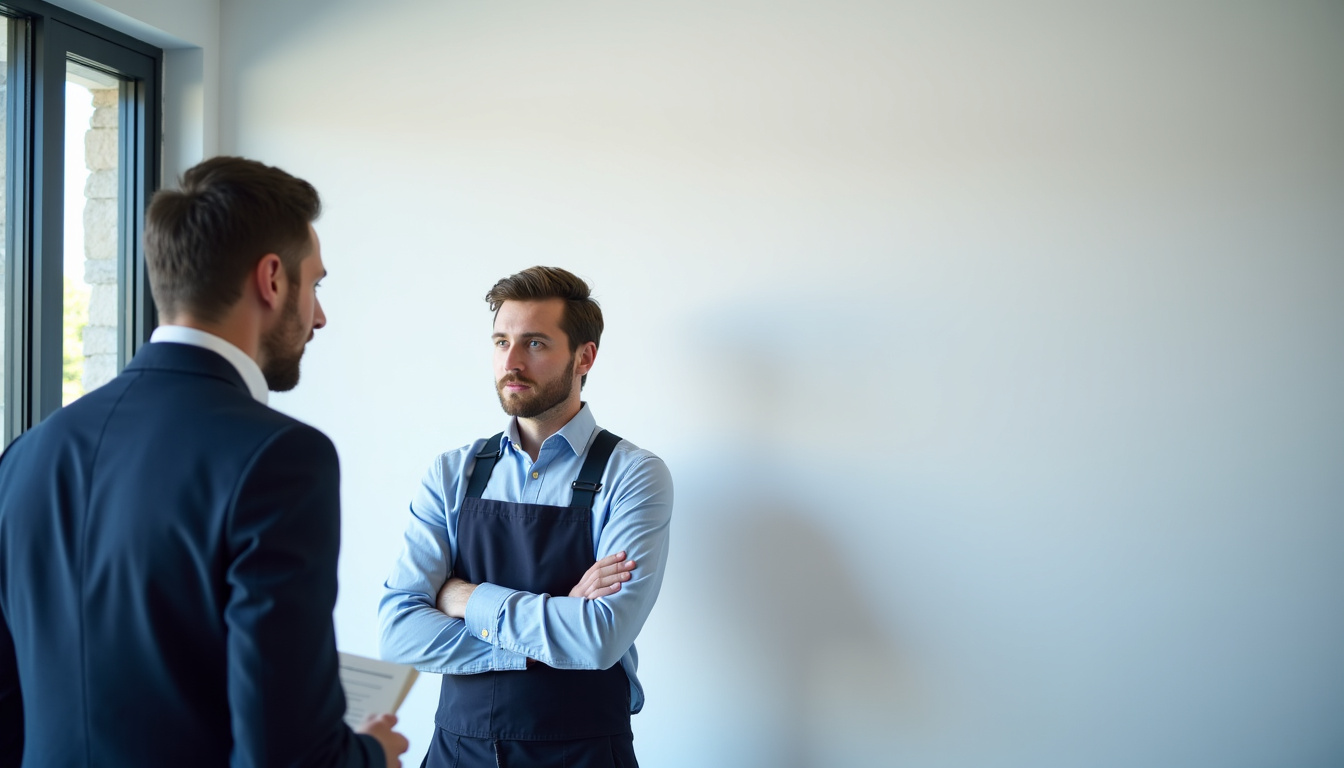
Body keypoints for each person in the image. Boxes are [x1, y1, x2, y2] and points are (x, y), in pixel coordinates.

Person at [0, 157, 408, 767]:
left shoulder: (29, 453)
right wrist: (371, 755)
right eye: (315, 286)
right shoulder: (280, 458)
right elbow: (284, 755)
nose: (319, 316)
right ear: (272, 279)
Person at [379, 267, 673, 767]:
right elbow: (399, 633)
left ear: (585, 357)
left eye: (534, 343)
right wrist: (550, 631)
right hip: (457, 753)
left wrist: (463, 597)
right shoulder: (452, 473)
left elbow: (598, 638)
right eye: (501, 342)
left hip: (583, 753)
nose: (511, 362)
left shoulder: (634, 475)